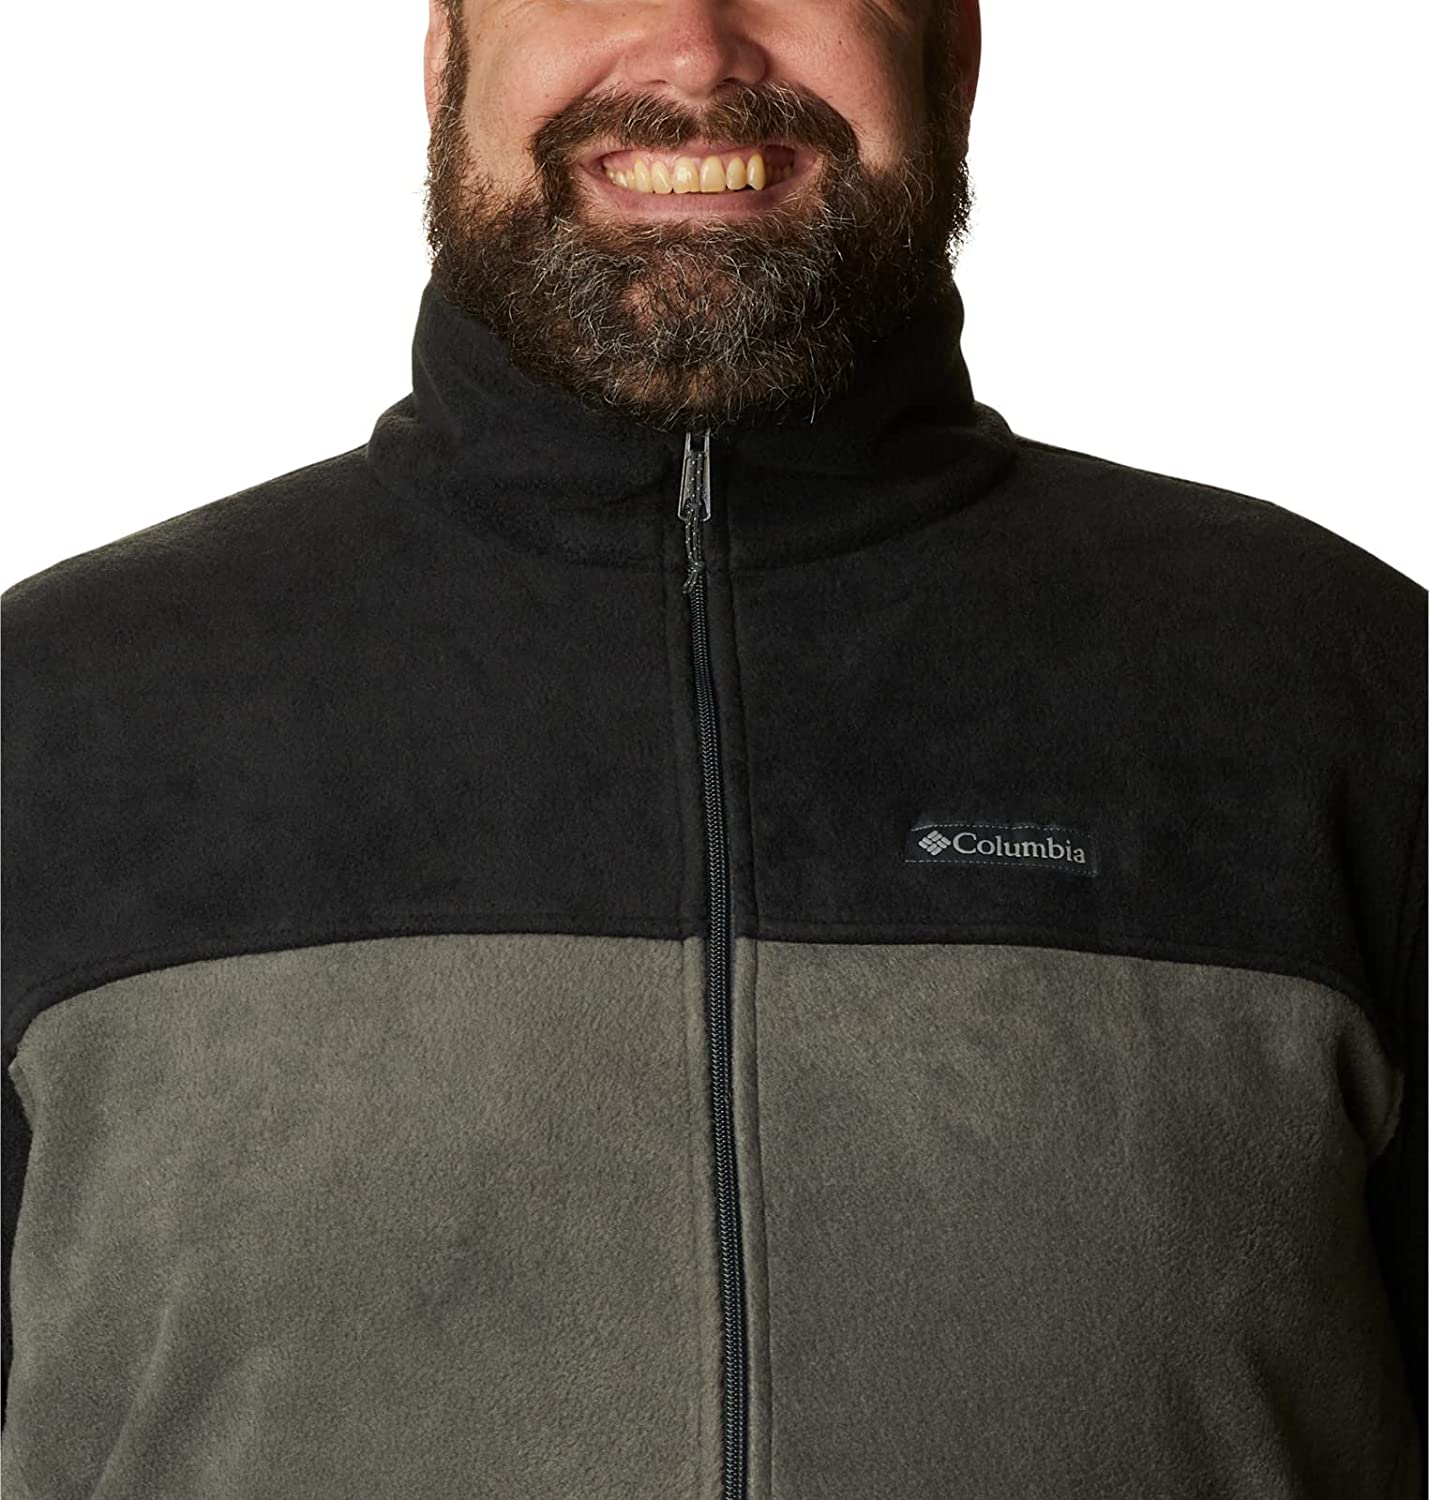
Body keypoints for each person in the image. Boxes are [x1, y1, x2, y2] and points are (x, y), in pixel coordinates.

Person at [2, 1, 1423, 1496]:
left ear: (952, 55)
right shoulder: (56, 712)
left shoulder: (1345, 689)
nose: (694, 52)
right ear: (445, 56)